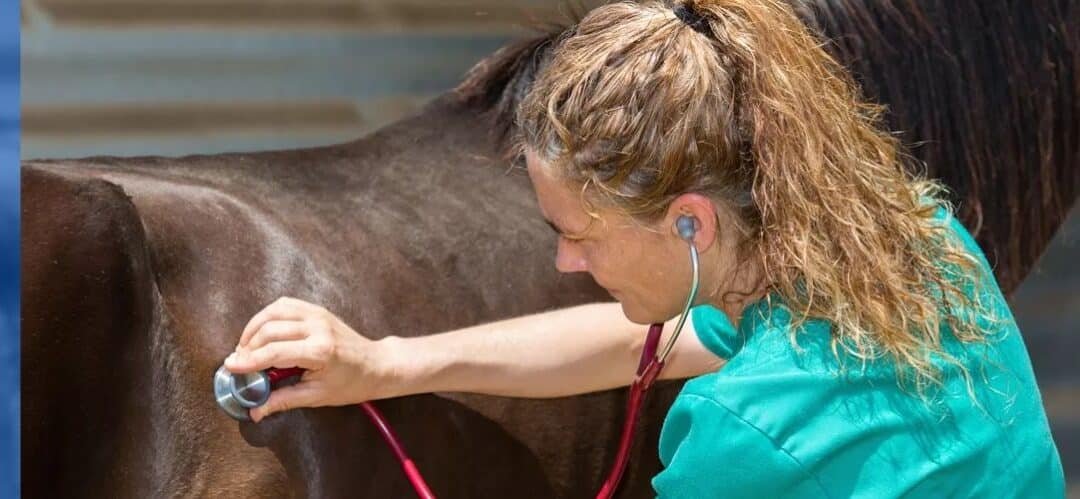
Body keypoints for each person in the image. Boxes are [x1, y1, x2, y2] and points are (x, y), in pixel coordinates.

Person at [224, 0, 1065, 496]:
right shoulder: (917, 237)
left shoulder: (742, 432)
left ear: (691, 222)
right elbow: (646, 344)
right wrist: (390, 362)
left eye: (578, 235)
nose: (564, 264)